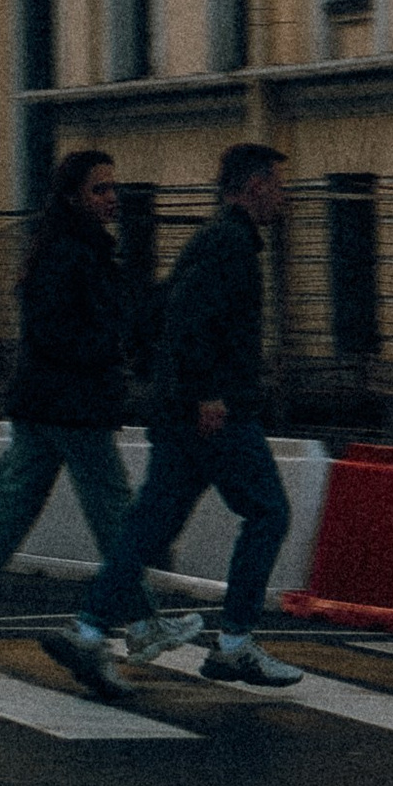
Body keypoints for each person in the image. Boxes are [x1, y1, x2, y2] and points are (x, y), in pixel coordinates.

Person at [0, 148, 143, 706]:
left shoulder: (66, 248)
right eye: (99, 189)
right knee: (114, 510)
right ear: (72, 197)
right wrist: (110, 351)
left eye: (113, 188)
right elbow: (57, 332)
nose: (112, 198)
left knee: (10, 505)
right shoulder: (72, 252)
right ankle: (143, 620)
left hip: (47, 401)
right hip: (73, 403)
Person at [92, 140, 304, 687]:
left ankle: (86, 629)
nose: (283, 197)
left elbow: (161, 309)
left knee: (151, 525)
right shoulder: (231, 243)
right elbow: (190, 317)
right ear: (255, 186)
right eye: (278, 185)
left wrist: (164, 380)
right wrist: (207, 392)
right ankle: (234, 643)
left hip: (179, 406)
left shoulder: (213, 239)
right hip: (216, 410)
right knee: (268, 514)